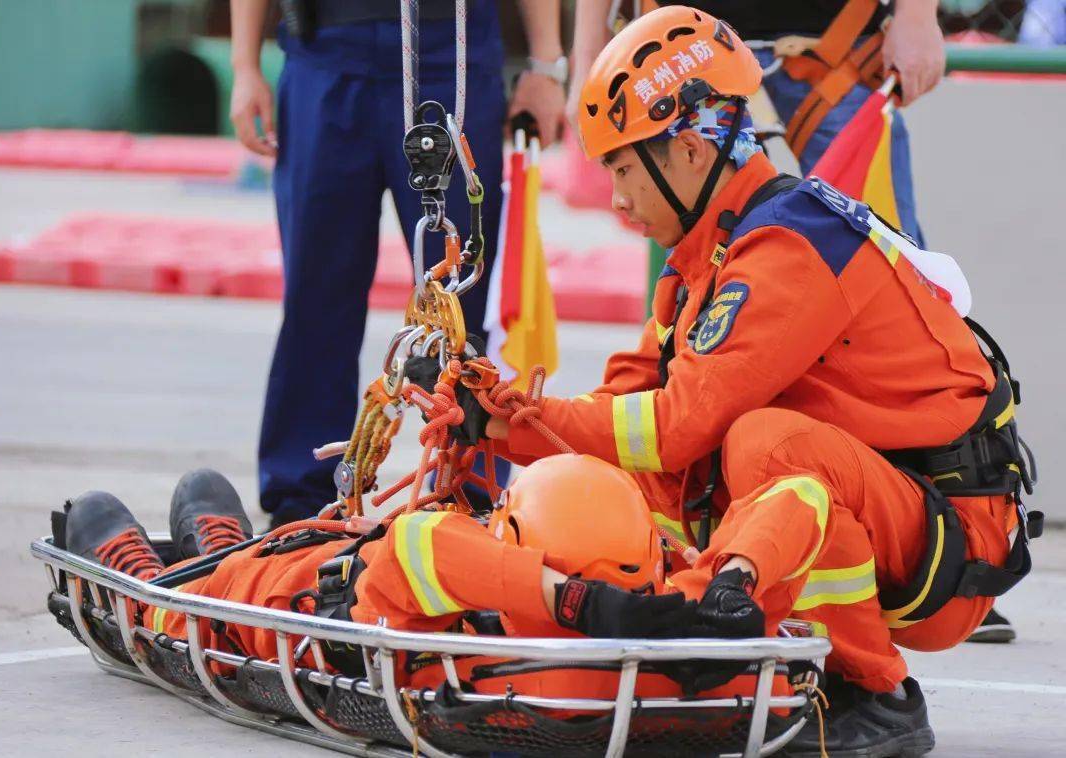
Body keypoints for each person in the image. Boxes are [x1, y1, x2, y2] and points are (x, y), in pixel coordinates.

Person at [412, 7, 1036, 756]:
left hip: (944, 543)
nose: (615, 200)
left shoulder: (787, 250)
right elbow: (619, 417)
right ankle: (709, 642)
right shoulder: (705, 260)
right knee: (636, 483)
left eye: (620, 169)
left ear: (682, 151)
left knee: (759, 444)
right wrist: (492, 421)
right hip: (885, 506)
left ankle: (873, 693)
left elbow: (675, 425)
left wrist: (524, 415)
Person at [229, 0, 566, 527]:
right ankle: (304, 502)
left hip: (448, 51)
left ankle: (464, 489)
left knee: (458, 297)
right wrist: (245, 66)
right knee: (316, 299)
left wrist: (547, 66)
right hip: (326, 53)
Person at [59, 457, 778, 702]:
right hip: (337, 557)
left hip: (253, 603)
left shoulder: (484, 662)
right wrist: (730, 583)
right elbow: (787, 503)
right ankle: (213, 547)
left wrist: (574, 600)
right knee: (216, 503)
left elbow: (416, 544)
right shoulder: (669, 635)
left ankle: (160, 576)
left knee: (162, 589)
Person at [569, 0, 942, 245]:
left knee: (884, 255)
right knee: (702, 283)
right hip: (681, 63)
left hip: (838, 44)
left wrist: (918, 15)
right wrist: (586, 56)